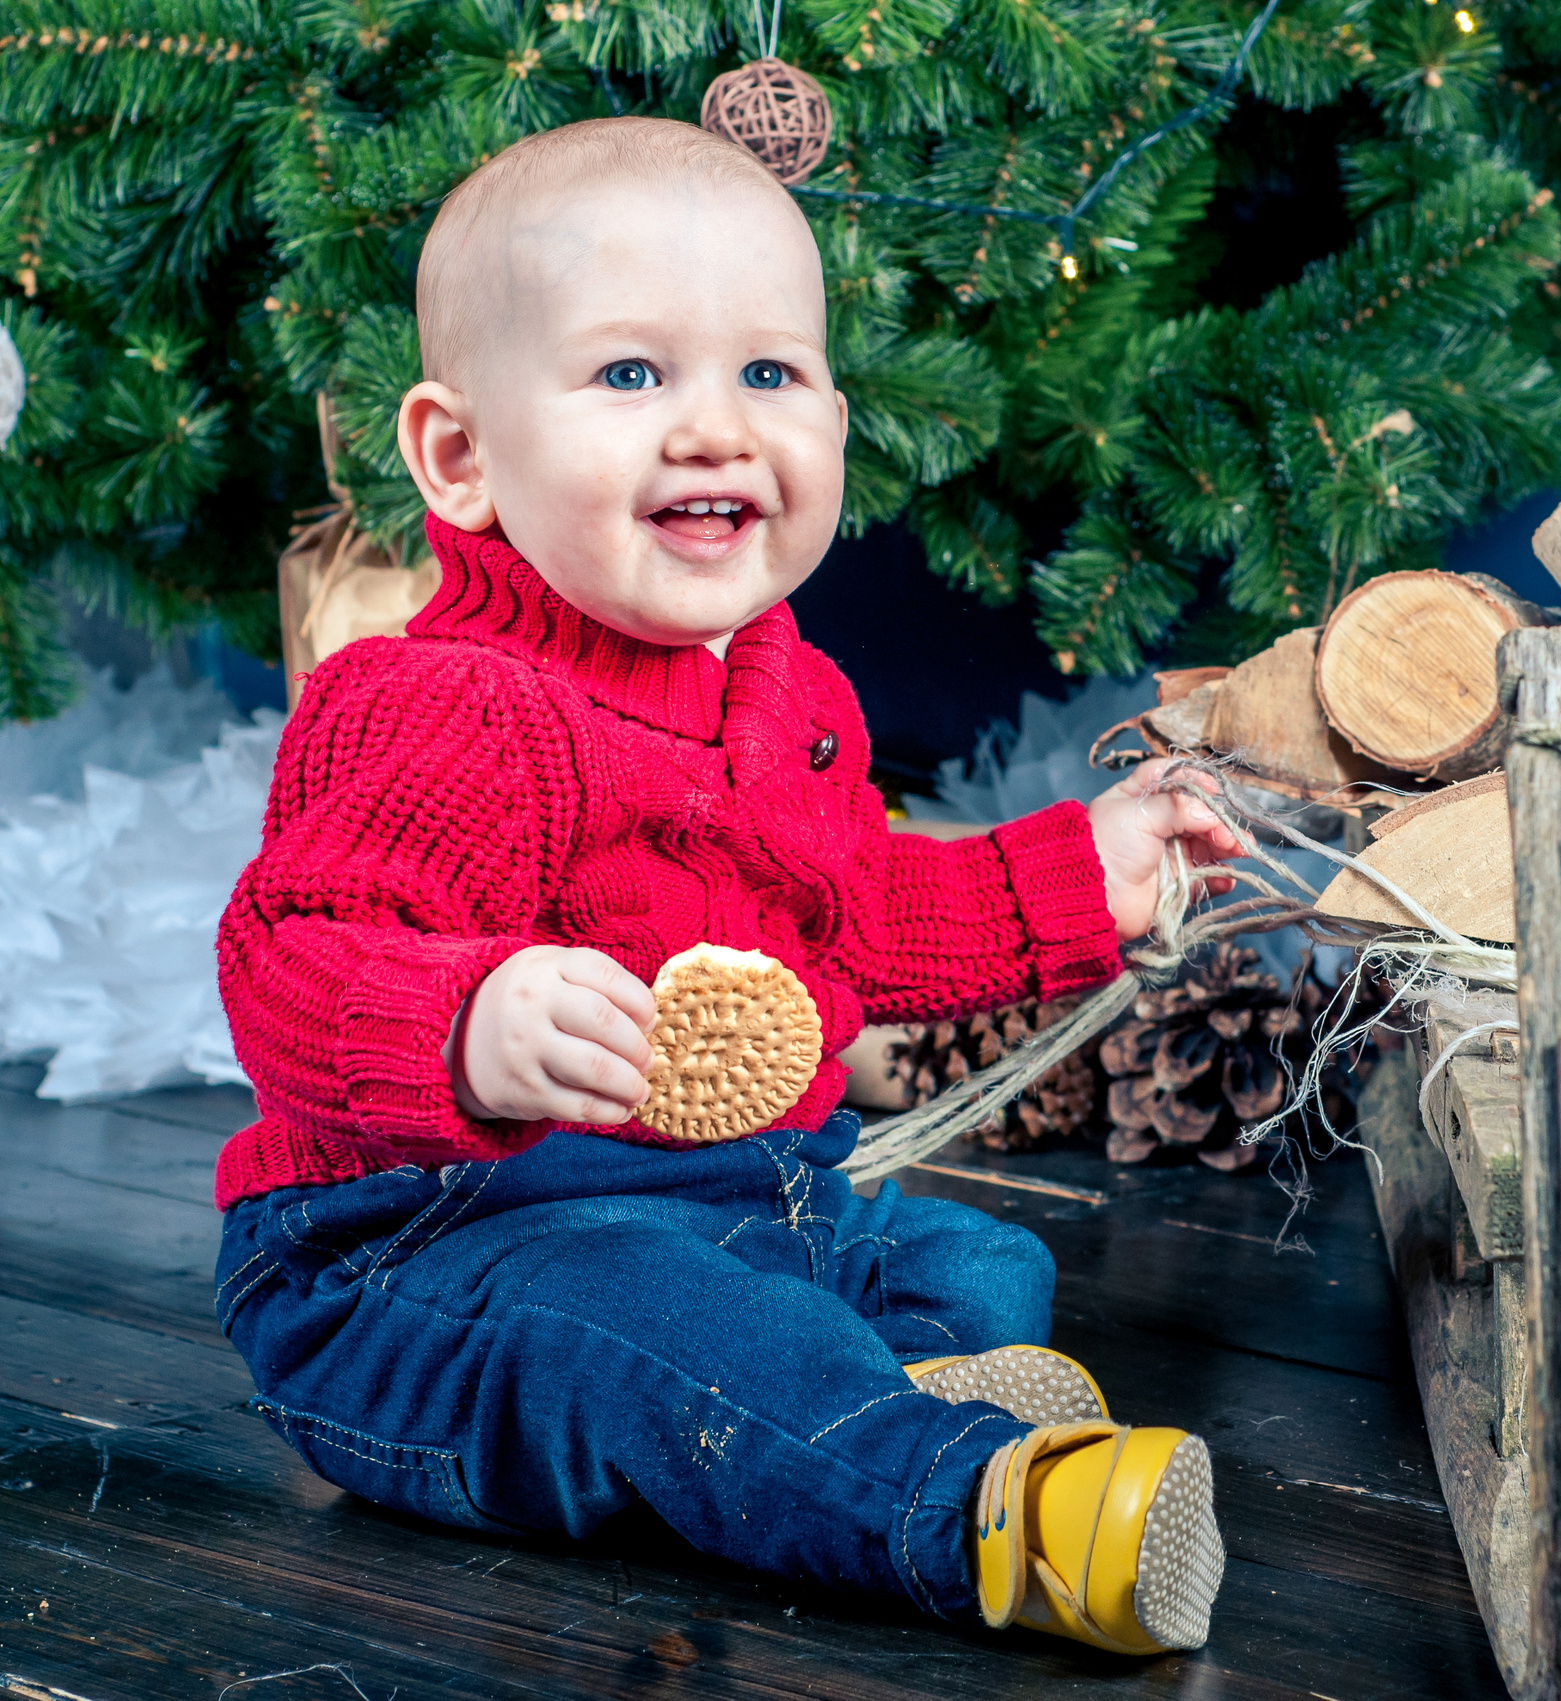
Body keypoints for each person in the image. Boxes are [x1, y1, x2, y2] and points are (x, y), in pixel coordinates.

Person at [211, 115, 1238, 1657]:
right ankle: (979, 1516)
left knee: (977, 1261)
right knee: (647, 1319)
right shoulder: (436, 707)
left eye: (768, 374)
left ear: (833, 413)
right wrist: (467, 1019)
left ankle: (791, 1430)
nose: (713, 429)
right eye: (632, 375)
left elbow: (849, 923)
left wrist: (1076, 875)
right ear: (461, 455)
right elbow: (287, 957)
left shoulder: (784, 688)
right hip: (420, 1256)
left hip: (734, 1203)